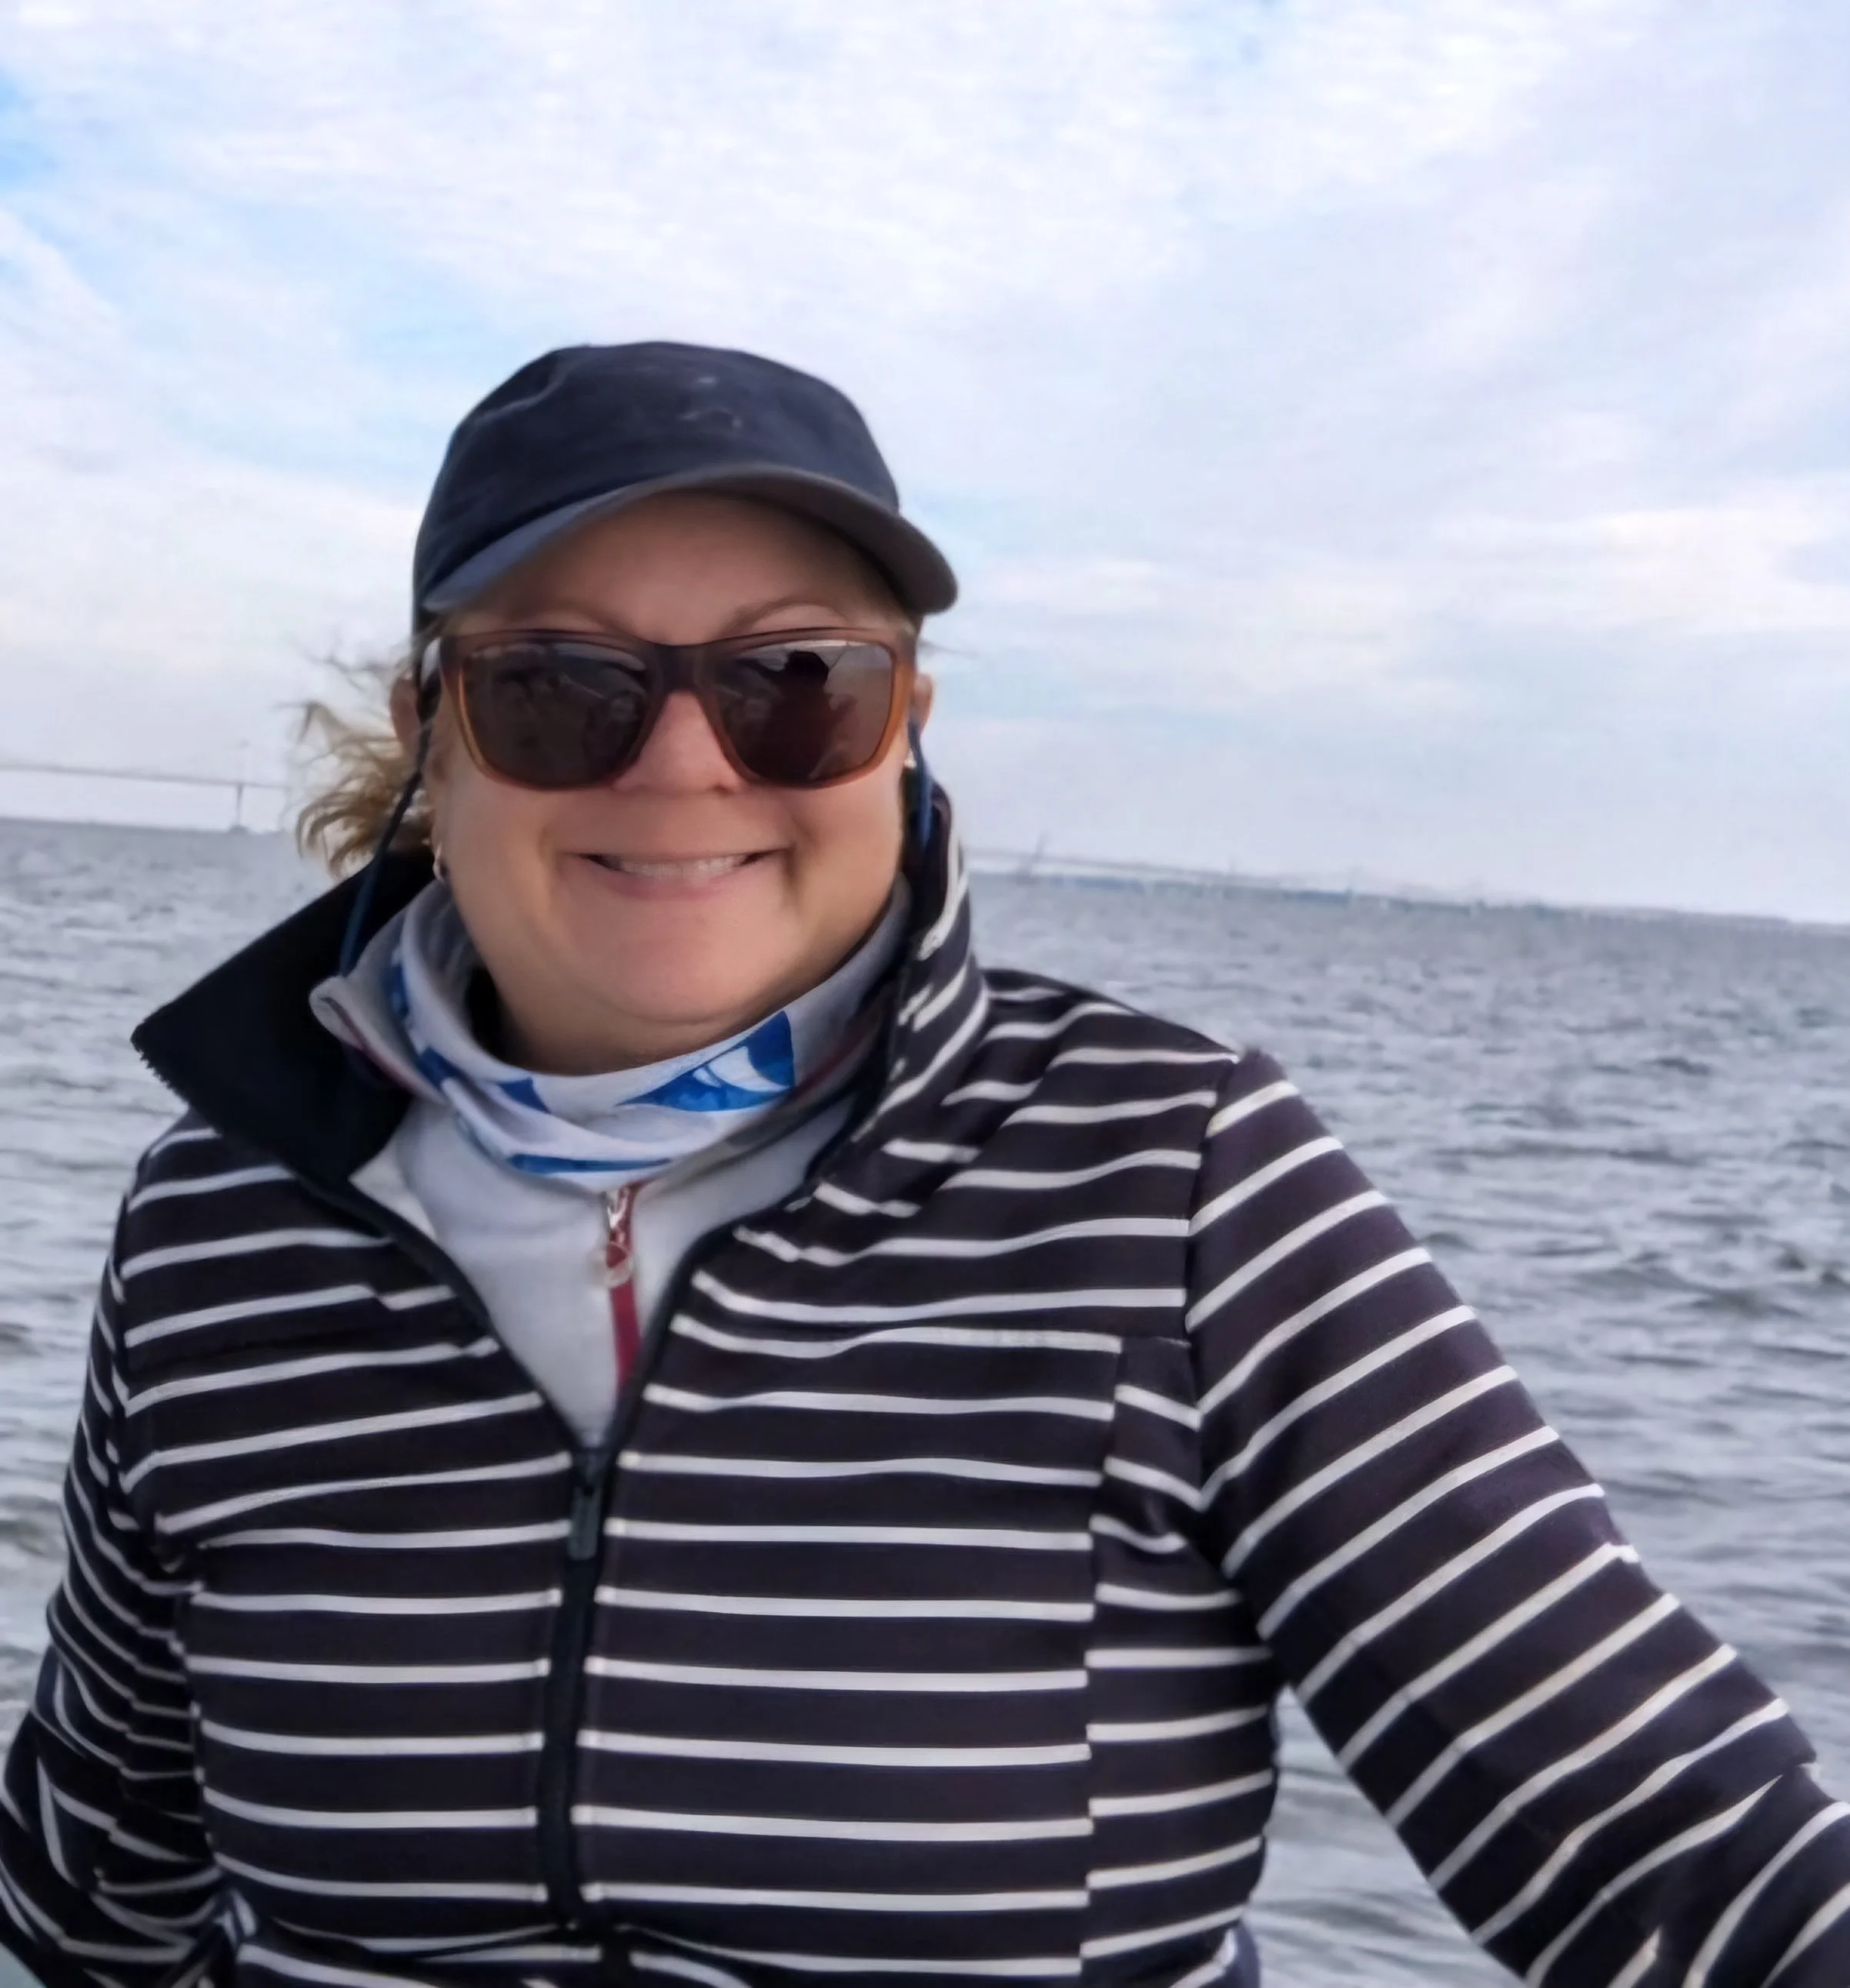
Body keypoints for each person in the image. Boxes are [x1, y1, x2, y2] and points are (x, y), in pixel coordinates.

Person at [2, 342, 1845, 1988]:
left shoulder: (1173, 1177)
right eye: (561, 688)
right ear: (431, 733)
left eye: (793, 681)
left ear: (901, 733)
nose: (681, 766)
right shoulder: (222, 1219)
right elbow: (97, 1866)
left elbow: (1662, 1842)